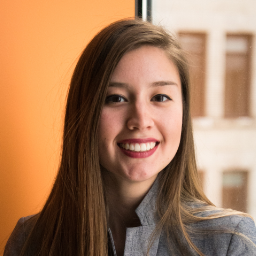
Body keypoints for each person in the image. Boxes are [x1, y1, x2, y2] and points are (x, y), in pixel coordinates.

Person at [4, 18, 256, 256]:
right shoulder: (30, 240)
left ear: (183, 112)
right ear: (84, 113)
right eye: (116, 98)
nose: (141, 120)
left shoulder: (231, 241)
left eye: (160, 97)